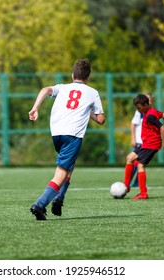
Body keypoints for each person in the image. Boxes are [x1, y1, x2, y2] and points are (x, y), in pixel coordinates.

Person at [28, 59, 105, 220]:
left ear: (72, 75)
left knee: (70, 166)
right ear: (88, 77)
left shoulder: (62, 88)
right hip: (73, 134)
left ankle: (59, 198)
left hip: (57, 133)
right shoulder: (93, 92)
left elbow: (45, 89)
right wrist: (89, 111)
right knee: (61, 175)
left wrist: (35, 108)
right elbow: (101, 119)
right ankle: (40, 204)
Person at [123, 93, 164, 200]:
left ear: (146, 105)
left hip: (151, 144)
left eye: (139, 108)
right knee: (129, 158)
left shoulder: (150, 116)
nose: (138, 110)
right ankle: (126, 186)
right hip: (146, 143)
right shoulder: (152, 111)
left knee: (140, 166)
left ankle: (143, 193)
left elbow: (161, 128)